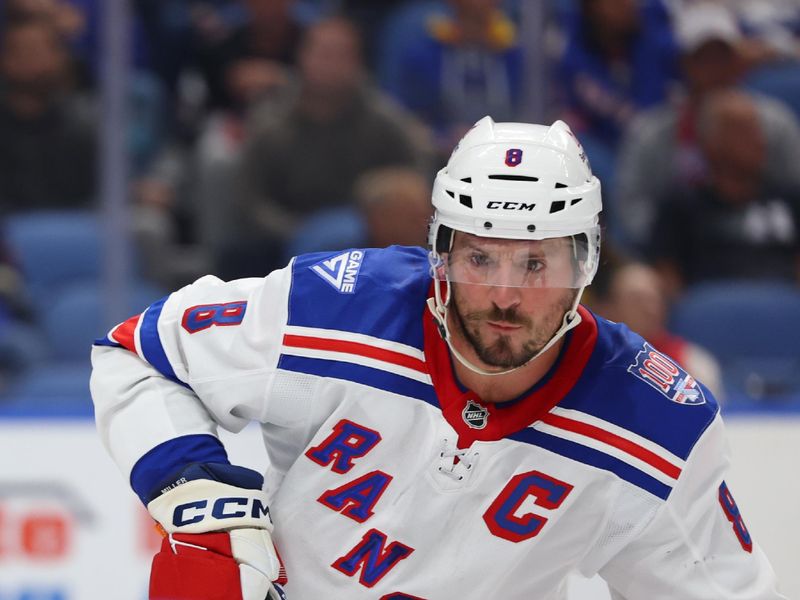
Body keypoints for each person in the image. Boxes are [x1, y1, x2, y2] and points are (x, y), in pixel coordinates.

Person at [90, 117, 786, 599]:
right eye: (481, 256)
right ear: (441, 254)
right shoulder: (335, 310)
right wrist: (195, 492)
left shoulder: (654, 427)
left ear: (584, 266)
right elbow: (139, 352)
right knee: (204, 562)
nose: (507, 294)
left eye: (537, 262)